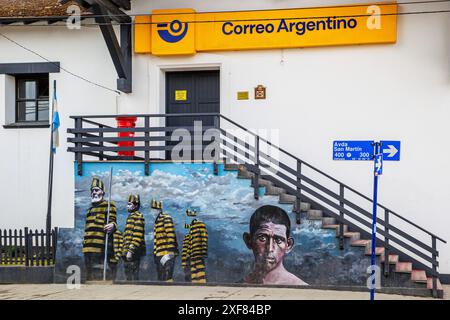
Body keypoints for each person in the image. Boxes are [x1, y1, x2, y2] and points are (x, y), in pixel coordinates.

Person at [242, 205, 308, 285]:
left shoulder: (300, 288)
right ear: (248, 241)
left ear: (289, 245)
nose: (270, 248)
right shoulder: (238, 287)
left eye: (278, 240)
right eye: (262, 238)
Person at [82, 177, 117, 281]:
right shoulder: (90, 209)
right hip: (87, 248)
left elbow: (113, 221)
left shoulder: (109, 205)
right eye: (92, 190)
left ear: (102, 191)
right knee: (89, 274)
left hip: (100, 248)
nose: (94, 192)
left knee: (98, 273)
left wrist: (112, 225)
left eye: (96, 189)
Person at [122, 194, 146, 281]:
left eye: (129, 204)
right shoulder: (130, 216)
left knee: (133, 276)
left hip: (133, 253)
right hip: (127, 252)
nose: (127, 206)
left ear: (136, 205)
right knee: (128, 275)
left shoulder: (138, 216)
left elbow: (137, 235)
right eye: (127, 204)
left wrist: (130, 251)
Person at [153, 210, 178, 282]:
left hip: (167, 253)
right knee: (161, 276)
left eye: (154, 209)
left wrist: (171, 250)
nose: (152, 211)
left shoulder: (166, 218)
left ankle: (169, 291)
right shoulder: (157, 221)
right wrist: (155, 254)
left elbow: (170, 234)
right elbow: (156, 240)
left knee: (167, 276)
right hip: (159, 254)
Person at [188, 219, 208, 283]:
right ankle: (195, 283)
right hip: (193, 253)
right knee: (194, 271)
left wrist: (203, 252)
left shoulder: (200, 225)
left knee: (200, 270)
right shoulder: (192, 227)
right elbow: (190, 241)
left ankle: (201, 283)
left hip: (198, 252)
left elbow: (204, 238)